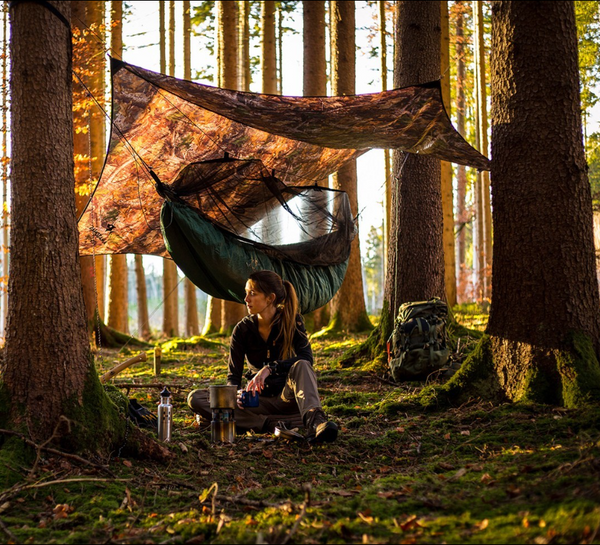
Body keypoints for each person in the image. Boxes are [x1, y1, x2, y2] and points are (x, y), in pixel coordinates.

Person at [187, 270, 338, 443]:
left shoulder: (291, 321)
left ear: (270, 298)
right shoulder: (242, 330)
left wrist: (270, 368)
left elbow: (307, 358)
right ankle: (270, 424)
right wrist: (234, 394)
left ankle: (315, 422)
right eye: (246, 293)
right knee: (196, 398)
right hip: (257, 403)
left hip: (287, 399)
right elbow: (233, 376)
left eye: (252, 293)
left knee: (302, 365)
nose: (246, 299)